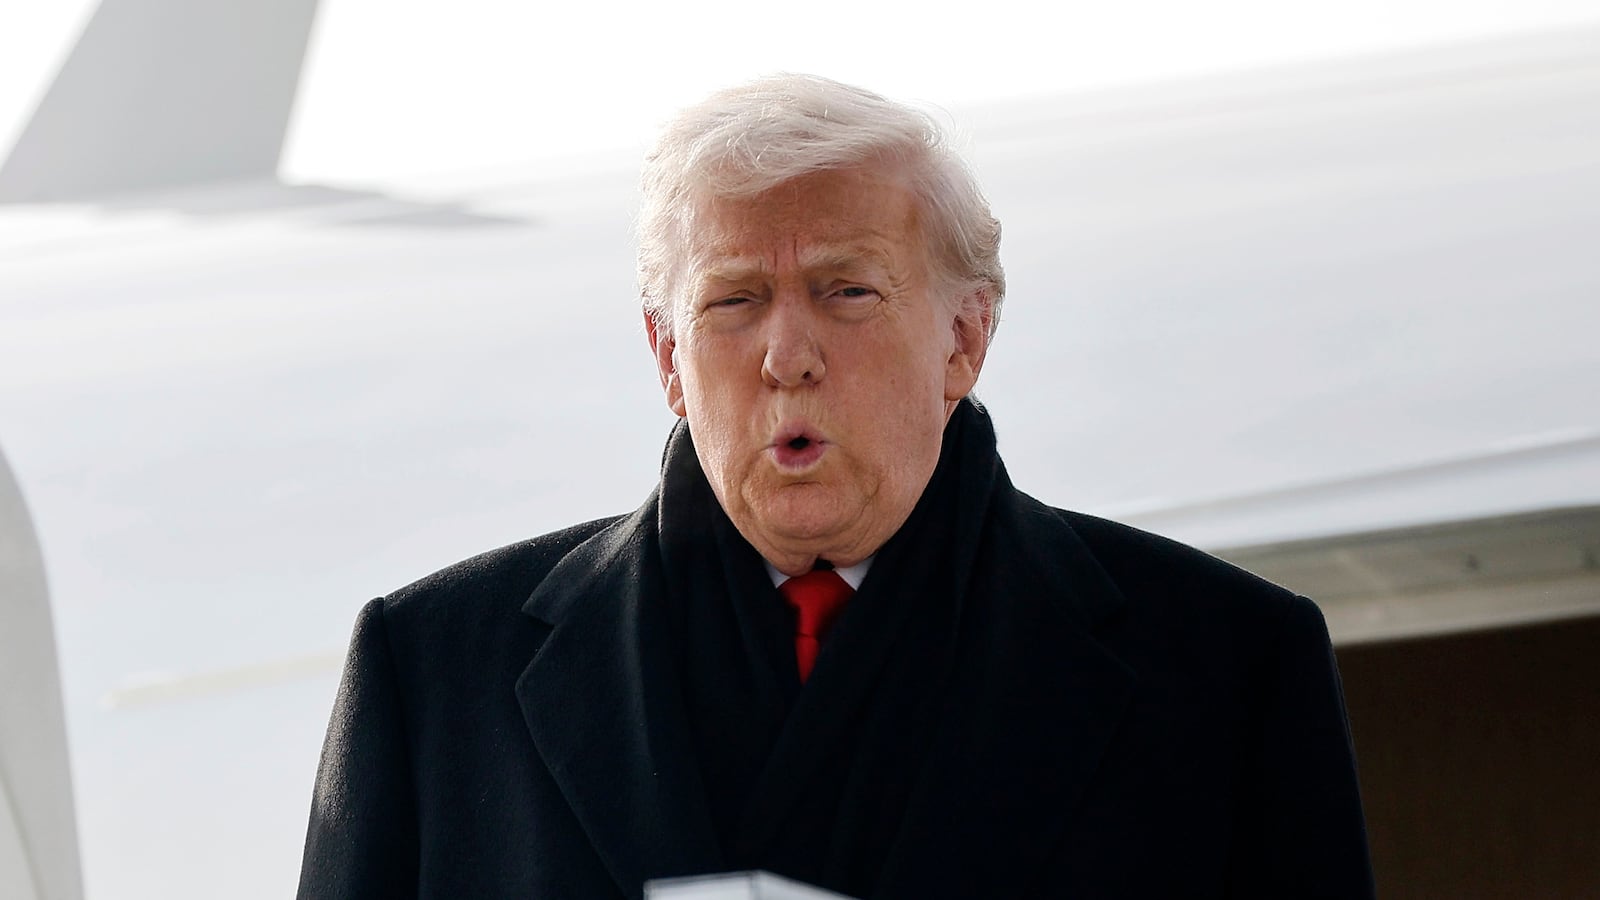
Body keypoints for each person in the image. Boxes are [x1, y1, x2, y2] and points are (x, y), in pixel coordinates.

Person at [297, 75, 1375, 899]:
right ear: (667, 355)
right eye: (733, 301)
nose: (787, 353)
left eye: (844, 291)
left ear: (964, 336)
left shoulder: (1226, 669)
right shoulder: (437, 673)